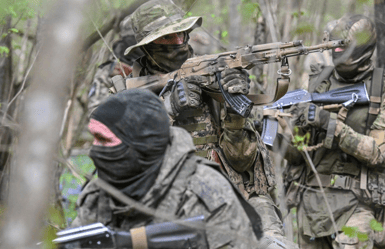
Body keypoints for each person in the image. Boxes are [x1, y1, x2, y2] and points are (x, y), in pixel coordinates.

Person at [123, 0, 288, 246]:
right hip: (168, 211)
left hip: (232, 201)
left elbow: (243, 162)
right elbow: (127, 167)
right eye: (167, 38)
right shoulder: (128, 96)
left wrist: (235, 114)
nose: (178, 43)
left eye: (182, 34)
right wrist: (168, 109)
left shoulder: (212, 77)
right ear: (148, 46)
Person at [275, 15, 385, 248]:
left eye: (342, 46)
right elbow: (299, 154)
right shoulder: (318, 83)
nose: (336, 50)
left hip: (359, 205)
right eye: (333, 45)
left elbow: (379, 153)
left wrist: (330, 124)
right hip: (312, 207)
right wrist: (278, 133)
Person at [72, 89, 263, 248]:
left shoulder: (206, 192)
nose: (94, 151)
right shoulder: (97, 195)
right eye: (94, 139)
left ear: (141, 145)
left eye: (104, 140)